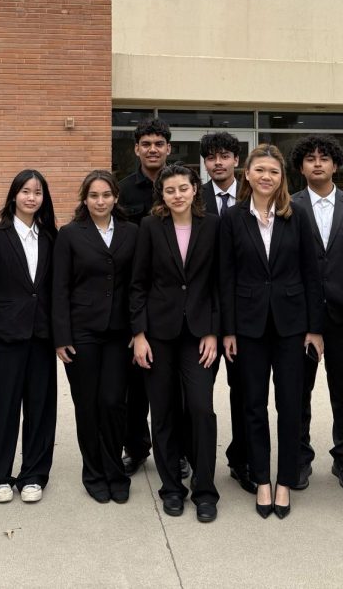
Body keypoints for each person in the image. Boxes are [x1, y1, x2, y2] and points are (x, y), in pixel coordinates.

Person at [220, 145, 324, 520]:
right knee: (252, 405)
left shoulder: (297, 216)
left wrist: (315, 329)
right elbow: (225, 277)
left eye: (274, 172)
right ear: (246, 174)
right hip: (247, 328)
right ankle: (261, 478)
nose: (266, 176)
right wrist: (228, 330)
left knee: (291, 405)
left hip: (292, 327)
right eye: (259, 169)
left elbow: (313, 275)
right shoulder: (231, 219)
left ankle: (285, 480)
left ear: (283, 178)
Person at [130, 163, 221, 522]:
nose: (177, 195)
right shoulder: (151, 227)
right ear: (162, 195)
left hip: (199, 335)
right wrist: (138, 334)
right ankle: (171, 489)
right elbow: (138, 284)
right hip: (158, 334)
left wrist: (213, 330)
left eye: (183, 188)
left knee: (201, 409)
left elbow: (218, 282)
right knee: (164, 412)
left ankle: (205, 490)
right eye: (170, 190)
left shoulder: (213, 225)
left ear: (195, 189)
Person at [52, 170, 138, 504]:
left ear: (116, 198)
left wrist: (138, 329)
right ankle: (94, 472)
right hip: (81, 331)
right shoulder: (70, 234)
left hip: (120, 333)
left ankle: (115, 470)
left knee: (113, 403)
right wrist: (61, 335)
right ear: (84, 200)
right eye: (93, 196)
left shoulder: (133, 232)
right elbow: (58, 288)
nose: (99, 201)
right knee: (87, 405)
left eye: (106, 195)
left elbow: (137, 284)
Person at [0, 170, 58, 504]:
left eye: (38, 192)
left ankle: (34, 475)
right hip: (6, 335)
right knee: (5, 407)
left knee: (40, 407)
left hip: (41, 335)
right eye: (25, 191)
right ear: (13, 196)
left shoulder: (52, 236)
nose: (31, 198)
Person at [289, 134, 343, 493]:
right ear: (300, 167)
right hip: (302, 317)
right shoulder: (288, 205)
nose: (317, 164)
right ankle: (300, 457)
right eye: (309, 159)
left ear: (336, 164)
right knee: (298, 390)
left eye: (324, 158)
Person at [198, 130, 253, 493]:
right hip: (200, 313)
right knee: (197, 396)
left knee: (245, 392)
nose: (218, 162)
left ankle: (242, 460)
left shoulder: (255, 196)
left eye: (224, 156)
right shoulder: (192, 196)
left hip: (243, 315)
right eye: (211, 157)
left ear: (236, 160)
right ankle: (193, 457)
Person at [116, 117, 171, 475]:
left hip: (170, 298)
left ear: (168, 148)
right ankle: (136, 448)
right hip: (131, 296)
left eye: (158, 143)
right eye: (146, 143)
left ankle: (176, 449)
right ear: (136, 149)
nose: (152, 149)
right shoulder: (122, 190)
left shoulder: (181, 185)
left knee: (170, 384)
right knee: (133, 384)